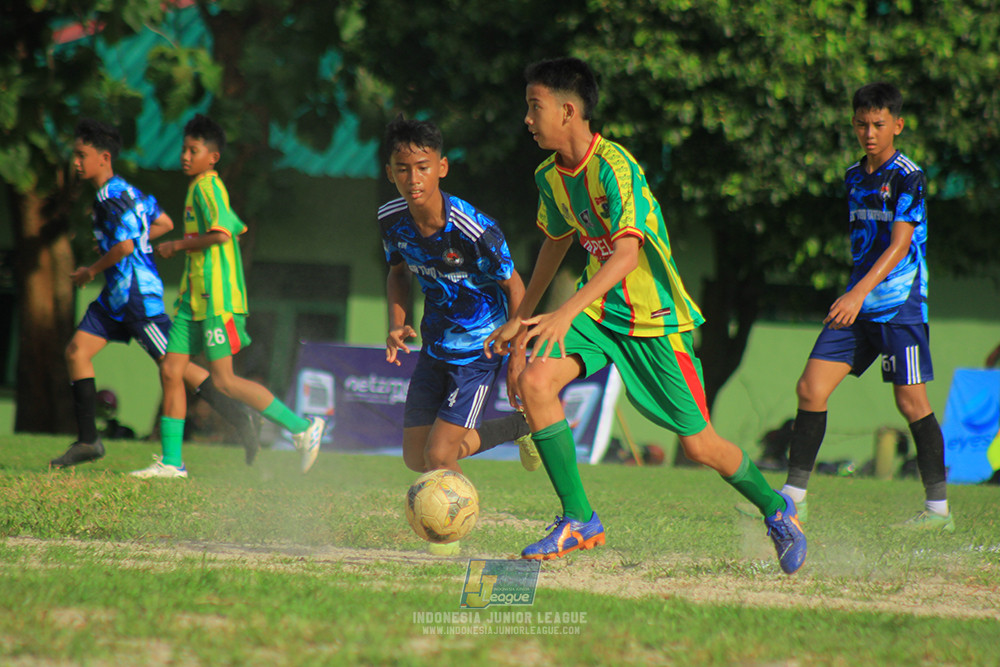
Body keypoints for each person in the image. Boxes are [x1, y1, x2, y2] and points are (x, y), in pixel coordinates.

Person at [486, 58, 806, 574]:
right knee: (536, 380)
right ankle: (578, 518)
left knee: (701, 446)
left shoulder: (615, 167)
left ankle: (776, 510)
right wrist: (522, 317)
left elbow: (627, 255)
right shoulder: (549, 175)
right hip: (600, 312)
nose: (526, 118)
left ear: (568, 111)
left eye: (534, 106)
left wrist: (563, 313)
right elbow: (556, 239)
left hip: (654, 321)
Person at [778, 82, 953, 532]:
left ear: (897, 124)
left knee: (911, 402)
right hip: (858, 304)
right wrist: (855, 294)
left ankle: (938, 512)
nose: (869, 133)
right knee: (810, 388)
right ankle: (794, 498)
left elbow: (899, 246)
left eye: (878, 124)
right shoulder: (854, 176)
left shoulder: (909, 176)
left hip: (899, 305)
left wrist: (857, 293)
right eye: (861, 124)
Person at [51, 119, 260, 469]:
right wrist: (131, 243)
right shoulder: (128, 192)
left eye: (81, 155)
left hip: (136, 298)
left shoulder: (108, 198)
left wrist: (90, 269)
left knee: (175, 367)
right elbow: (162, 222)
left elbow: (126, 245)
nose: (75, 162)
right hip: (114, 297)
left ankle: (240, 417)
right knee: (76, 352)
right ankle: (88, 441)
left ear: (103, 158)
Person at [130, 114, 324, 479]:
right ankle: (172, 463)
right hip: (193, 301)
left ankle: (301, 428)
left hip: (217, 301)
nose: (185, 156)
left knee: (224, 381)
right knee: (171, 370)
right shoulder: (196, 188)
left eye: (194, 150)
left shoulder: (209, 188)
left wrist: (176, 244)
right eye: (184, 149)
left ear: (213, 157)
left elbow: (221, 233)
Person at [380, 116, 539, 477]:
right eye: (402, 169)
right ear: (390, 173)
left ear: (442, 167)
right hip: (434, 345)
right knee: (415, 458)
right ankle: (517, 427)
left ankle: (451, 531)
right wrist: (397, 324)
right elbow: (397, 272)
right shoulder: (390, 220)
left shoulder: (473, 228)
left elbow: (515, 286)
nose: (413, 178)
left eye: (422, 167)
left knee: (439, 457)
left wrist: (517, 358)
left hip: (480, 351)